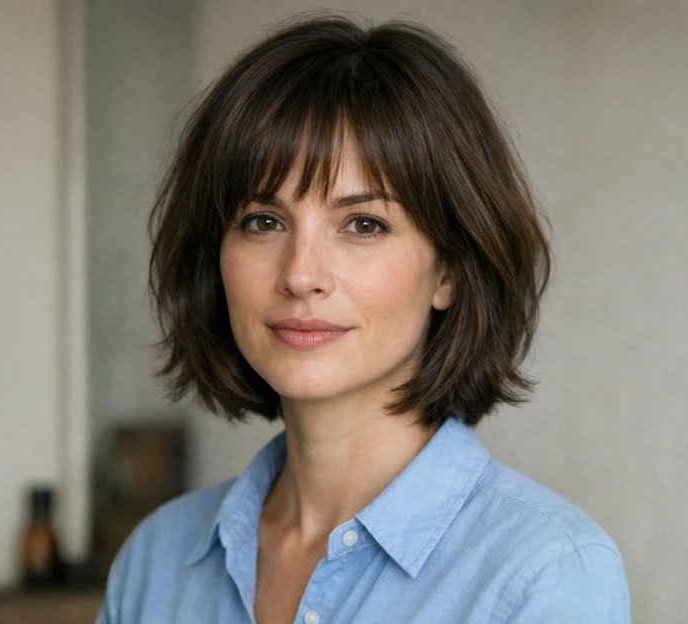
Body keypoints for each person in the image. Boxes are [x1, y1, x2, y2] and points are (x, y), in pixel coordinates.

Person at [95, 12, 630, 624]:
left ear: (449, 271)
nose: (300, 274)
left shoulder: (544, 573)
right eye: (262, 221)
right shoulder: (157, 562)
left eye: (363, 224)